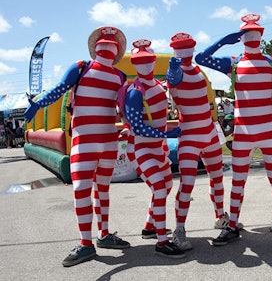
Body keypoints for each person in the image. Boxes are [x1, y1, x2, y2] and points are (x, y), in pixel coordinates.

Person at [24, 26, 131, 267]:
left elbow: (123, 107)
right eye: (104, 45)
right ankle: (86, 242)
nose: (107, 49)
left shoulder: (119, 76)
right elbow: (59, 90)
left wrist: (129, 126)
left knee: (101, 190)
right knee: (83, 189)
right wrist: (39, 103)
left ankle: (101, 237)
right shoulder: (82, 67)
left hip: (107, 141)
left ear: (115, 51)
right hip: (86, 141)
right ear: (96, 48)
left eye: (111, 46)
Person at [196, 13, 272, 245]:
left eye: (255, 33)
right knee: (238, 180)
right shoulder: (234, 62)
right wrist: (224, 39)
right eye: (247, 34)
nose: (251, 36)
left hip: (268, 131)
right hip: (245, 132)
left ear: (261, 36)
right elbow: (201, 57)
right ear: (241, 38)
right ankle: (232, 225)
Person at [166, 32, 232, 251]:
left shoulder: (196, 69)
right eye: (181, 48)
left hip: (209, 134)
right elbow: (172, 79)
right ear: (175, 50)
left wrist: (223, 40)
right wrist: (173, 67)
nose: (186, 51)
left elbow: (204, 56)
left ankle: (221, 217)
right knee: (187, 184)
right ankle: (179, 229)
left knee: (218, 178)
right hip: (191, 136)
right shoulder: (176, 72)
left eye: (188, 47)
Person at [121, 39, 185, 258]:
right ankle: (161, 242)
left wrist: (176, 68)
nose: (145, 65)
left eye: (148, 60)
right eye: (139, 61)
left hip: (159, 148)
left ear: (154, 60)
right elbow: (137, 127)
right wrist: (166, 134)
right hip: (141, 149)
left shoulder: (158, 86)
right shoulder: (134, 91)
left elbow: (174, 81)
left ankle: (150, 227)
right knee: (159, 188)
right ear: (134, 64)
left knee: (166, 187)